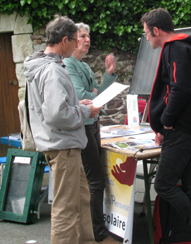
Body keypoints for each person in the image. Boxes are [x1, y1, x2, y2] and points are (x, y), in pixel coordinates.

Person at [141, 8, 191, 244]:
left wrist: (166, 123)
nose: (146, 37)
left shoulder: (175, 49)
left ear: (156, 30)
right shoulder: (185, 48)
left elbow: (180, 89)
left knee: (163, 184)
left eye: (146, 33)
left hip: (182, 130)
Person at [23, 15, 102, 244]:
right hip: (63, 146)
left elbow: (52, 108)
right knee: (67, 209)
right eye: (76, 40)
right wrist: (85, 112)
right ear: (65, 40)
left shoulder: (41, 65)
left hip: (60, 144)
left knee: (81, 200)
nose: (78, 44)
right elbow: (57, 115)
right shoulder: (53, 70)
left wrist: (78, 106)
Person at [63, 23, 120, 244]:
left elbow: (99, 94)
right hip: (83, 126)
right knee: (95, 181)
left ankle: (96, 227)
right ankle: (97, 231)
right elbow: (83, 95)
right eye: (83, 36)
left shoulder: (83, 66)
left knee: (96, 179)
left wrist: (108, 74)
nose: (88, 40)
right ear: (73, 39)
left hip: (93, 123)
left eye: (89, 35)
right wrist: (94, 93)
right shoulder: (68, 65)